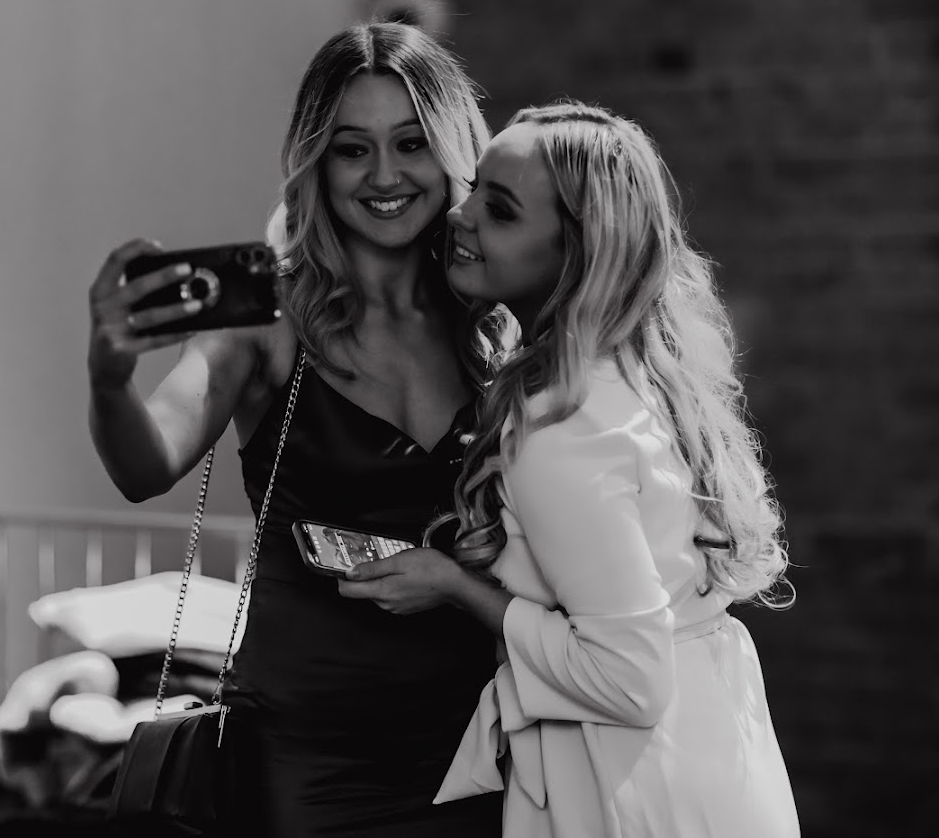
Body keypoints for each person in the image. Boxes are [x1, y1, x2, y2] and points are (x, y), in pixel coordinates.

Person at [83, 22, 508, 837]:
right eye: (352, 149)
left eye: (411, 143)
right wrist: (108, 378)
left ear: (452, 151)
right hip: (306, 759)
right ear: (317, 162)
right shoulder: (266, 322)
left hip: (475, 746)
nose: (383, 175)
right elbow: (146, 463)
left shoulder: (490, 324)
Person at [339, 101, 800, 836]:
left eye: (499, 210)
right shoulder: (637, 373)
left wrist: (456, 588)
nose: (458, 215)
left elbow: (627, 677)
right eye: (474, 189)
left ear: (575, 254)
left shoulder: (560, 427)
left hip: (631, 788)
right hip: (710, 759)